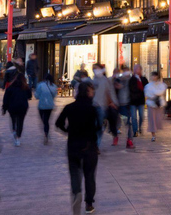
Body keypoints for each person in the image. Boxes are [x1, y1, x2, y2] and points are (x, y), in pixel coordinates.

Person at [56, 81, 100, 215]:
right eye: (91, 91)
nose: (93, 93)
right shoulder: (92, 109)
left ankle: (77, 193)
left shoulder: (69, 107)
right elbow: (98, 127)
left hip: (73, 145)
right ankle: (89, 204)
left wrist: (68, 130)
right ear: (87, 92)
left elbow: (58, 123)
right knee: (89, 175)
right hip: (89, 146)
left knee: (75, 172)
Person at [91, 64, 117, 148]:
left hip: (102, 107)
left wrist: (112, 102)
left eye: (97, 68)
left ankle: (96, 145)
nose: (95, 70)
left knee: (99, 127)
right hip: (93, 106)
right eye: (94, 69)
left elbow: (109, 92)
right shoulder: (93, 80)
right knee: (95, 126)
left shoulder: (105, 80)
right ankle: (95, 144)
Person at [2, 74, 30, 146]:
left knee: (13, 120)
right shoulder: (26, 87)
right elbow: (30, 96)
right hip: (22, 107)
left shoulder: (10, 87)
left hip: (12, 107)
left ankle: (14, 130)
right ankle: (18, 136)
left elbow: (6, 99)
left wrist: (4, 108)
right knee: (20, 121)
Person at [114, 66, 134, 148]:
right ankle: (115, 137)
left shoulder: (132, 80)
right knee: (117, 122)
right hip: (118, 103)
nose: (126, 72)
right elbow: (114, 88)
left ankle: (129, 140)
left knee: (128, 123)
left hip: (127, 103)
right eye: (124, 71)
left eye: (127, 71)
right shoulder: (119, 79)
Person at [144, 72, 167, 142]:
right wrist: (155, 93)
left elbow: (161, 92)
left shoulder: (162, 85)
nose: (154, 77)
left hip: (159, 104)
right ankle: (153, 135)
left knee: (158, 119)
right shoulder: (148, 86)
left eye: (155, 76)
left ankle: (155, 131)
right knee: (152, 120)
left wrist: (154, 93)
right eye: (153, 76)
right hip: (151, 104)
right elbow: (147, 94)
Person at [35, 73, 58, 144]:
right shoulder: (54, 86)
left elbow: (37, 96)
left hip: (42, 105)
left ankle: (46, 132)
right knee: (46, 120)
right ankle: (46, 133)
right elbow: (54, 95)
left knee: (44, 121)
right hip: (50, 106)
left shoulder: (40, 85)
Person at [129, 64, 147, 138]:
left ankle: (140, 127)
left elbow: (146, 88)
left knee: (141, 116)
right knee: (133, 117)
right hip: (133, 101)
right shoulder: (131, 79)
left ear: (140, 70)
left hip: (141, 101)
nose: (136, 70)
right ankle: (135, 131)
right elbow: (131, 89)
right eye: (135, 69)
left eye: (137, 69)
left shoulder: (143, 79)